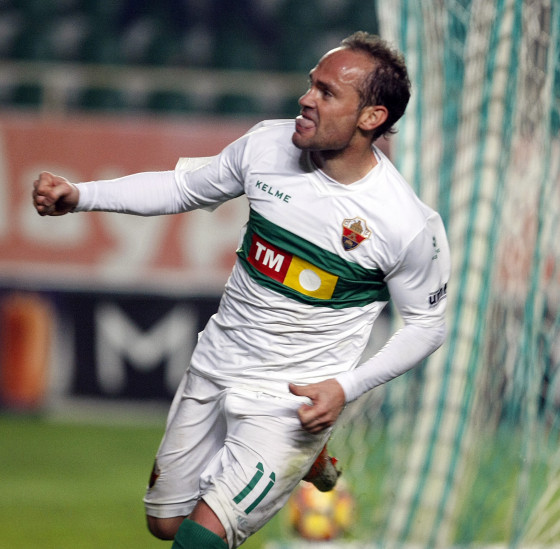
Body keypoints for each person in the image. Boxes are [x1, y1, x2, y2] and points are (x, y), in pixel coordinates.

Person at [31, 32, 451, 549]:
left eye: (326, 92)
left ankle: (297, 451)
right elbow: (184, 188)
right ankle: (311, 464)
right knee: (165, 525)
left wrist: (345, 388)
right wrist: (82, 195)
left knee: (199, 541)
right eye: (310, 85)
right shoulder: (266, 145)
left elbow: (428, 326)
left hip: (293, 401)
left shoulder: (405, 222)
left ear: (371, 118)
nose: (306, 99)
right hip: (217, 362)